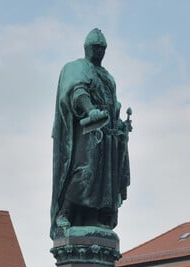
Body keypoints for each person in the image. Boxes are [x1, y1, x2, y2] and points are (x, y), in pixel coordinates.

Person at [50, 27, 131, 237]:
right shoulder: (77, 67)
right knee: (85, 170)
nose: (99, 52)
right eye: (96, 48)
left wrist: (120, 124)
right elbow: (77, 91)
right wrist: (90, 110)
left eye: (102, 48)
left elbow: (113, 104)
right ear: (87, 48)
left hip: (108, 135)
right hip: (88, 131)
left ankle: (95, 215)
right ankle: (65, 212)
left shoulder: (108, 76)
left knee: (106, 179)